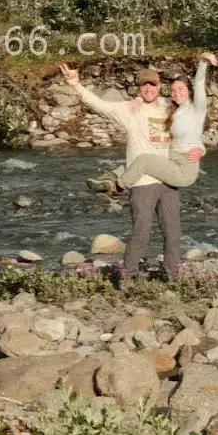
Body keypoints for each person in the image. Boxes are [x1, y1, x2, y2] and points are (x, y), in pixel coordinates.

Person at [57, 60, 184, 281]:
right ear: (138, 87)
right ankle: (129, 278)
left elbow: (193, 102)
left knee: (172, 234)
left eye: (152, 85)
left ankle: (172, 277)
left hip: (169, 180)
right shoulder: (129, 109)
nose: (148, 89)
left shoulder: (169, 105)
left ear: (159, 86)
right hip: (142, 182)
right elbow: (100, 106)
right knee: (141, 234)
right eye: (144, 85)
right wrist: (76, 85)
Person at [117, 53, 217, 189]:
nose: (177, 93)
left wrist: (204, 61)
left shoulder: (197, 108)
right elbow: (151, 97)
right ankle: (119, 173)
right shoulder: (174, 108)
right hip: (172, 161)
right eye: (173, 91)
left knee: (143, 161)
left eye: (181, 89)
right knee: (145, 161)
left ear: (189, 91)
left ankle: (117, 187)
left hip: (184, 169)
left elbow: (199, 82)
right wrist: (138, 99)